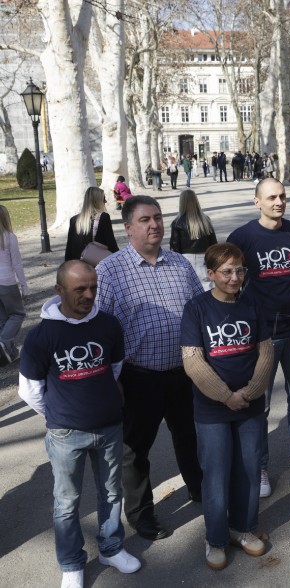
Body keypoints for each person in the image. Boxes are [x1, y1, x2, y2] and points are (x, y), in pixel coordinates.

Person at [19, 260, 141, 588]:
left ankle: (111, 548)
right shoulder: (41, 336)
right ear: (59, 290)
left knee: (112, 493)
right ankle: (71, 562)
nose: (89, 295)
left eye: (93, 287)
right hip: (65, 433)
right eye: (79, 290)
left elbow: (114, 367)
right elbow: (29, 390)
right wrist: (60, 414)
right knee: (66, 502)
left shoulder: (108, 324)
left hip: (110, 427)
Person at [96, 195, 204, 540]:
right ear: (128, 228)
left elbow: (200, 311)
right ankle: (142, 515)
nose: (154, 224)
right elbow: (100, 329)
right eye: (145, 219)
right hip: (138, 377)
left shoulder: (179, 264)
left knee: (190, 436)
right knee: (134, 450)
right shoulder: (110, 271)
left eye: (157, 217)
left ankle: (199, 487)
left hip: (184, 373)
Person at [227, 178, 290, 500]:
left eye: (282, 196)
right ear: (257, 202)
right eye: (271, 197)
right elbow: (228, 281)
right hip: (260, 336)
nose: (279, 202)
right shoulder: (242, 237)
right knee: (261, 404)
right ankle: (259, 466)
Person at [181, 243, 274, 570]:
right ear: (210, 273)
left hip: (249, 404)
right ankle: (216, 537)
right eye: (226, 272)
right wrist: (225, 395)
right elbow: (192, 361)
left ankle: (244, 529)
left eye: (239, 271)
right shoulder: (196, 309)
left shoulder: (253, 305)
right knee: (216, 474)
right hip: (212, 411)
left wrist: (250, 390)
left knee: (249, 470)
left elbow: (265, 352)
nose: (234, 278)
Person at [170, 189, 218, 289]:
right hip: (204, 259)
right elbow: (213, 244)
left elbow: (174, 247)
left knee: (187, 290)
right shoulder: (205, 220)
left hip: (185, 259)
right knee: (208, 289)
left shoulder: (177, 222)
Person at [0, 205, 29, 364]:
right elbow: (17, 264)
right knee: (18, 314)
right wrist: (24, 286)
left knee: (3, 319)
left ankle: (9, 353)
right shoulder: (9, 237)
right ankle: (4, 342)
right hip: (6, 282)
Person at [65, 187, 119, 262]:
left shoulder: (73, 220)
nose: (105, 201)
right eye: (103, 199)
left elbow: (69, 248)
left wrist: (67, 267)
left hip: (78, 265)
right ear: (97, 201)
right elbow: (111, 243)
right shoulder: (103, 217)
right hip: (95, 265)